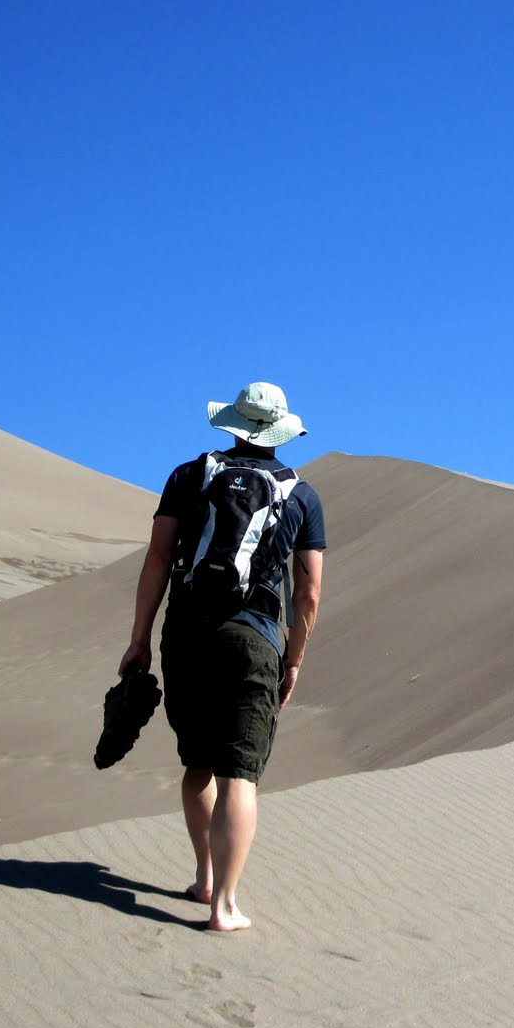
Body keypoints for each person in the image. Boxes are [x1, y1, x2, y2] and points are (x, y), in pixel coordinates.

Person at [118, 382, 326, 932]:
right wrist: (294, 658)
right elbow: (308, 592)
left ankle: (205, 875)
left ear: (233, 424)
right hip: (253, 638)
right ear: (281, 431)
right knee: (241, 775)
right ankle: (224, 907)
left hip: (185, 634)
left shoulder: (189, 476)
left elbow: (159, 556)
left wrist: (139, 640)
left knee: (199, 763)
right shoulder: (302, 496)